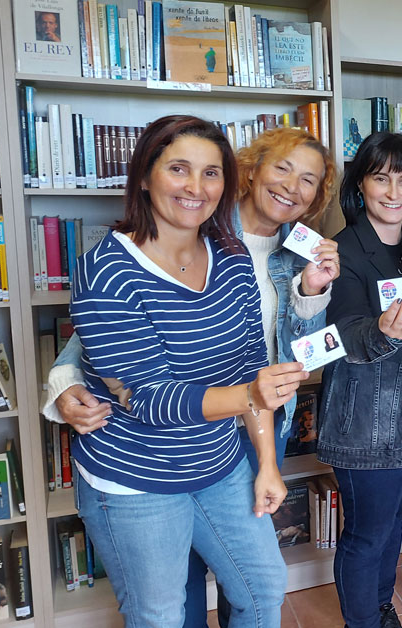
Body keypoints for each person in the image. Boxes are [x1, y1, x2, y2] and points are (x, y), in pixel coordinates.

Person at [45, 125, 339, 627]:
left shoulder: (234, 255)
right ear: (144, 176)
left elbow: (254, 360)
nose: (195, 187)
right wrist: (62, 382)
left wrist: (267, 462)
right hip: (137, 475)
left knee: (263, 589)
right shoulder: (106, 269)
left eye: (209, 174)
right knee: (161, 613)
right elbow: (148, 396)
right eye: (178, 169)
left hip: (221, 458)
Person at [318, 132, 402, 628]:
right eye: (380, 178)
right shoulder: (343, 250)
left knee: (393, 521)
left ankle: (378, 607)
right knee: (366, 533)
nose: (394, 192)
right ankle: (363, 621)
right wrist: (381, 333)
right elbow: (346, 333)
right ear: (360, 185)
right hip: (370, 417)